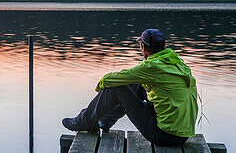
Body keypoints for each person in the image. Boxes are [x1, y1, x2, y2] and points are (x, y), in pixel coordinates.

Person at [62, 29, 198, 146]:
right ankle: (105, 120)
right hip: (182, 135)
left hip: (163, 136)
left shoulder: (152, 67)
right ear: (163, 47)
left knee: (117, 87)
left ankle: (85, 121)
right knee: (138, 85)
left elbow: (110, 79)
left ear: (143, 47)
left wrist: (101, 90)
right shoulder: (177, 63)